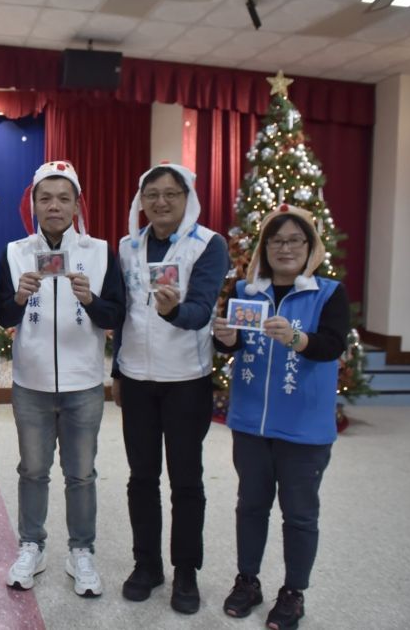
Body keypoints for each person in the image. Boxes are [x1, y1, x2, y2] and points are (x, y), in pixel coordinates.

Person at [212, 204, 349, 630]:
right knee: (250, 506)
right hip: (251, 422)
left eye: (294, 241)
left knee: (300, 514)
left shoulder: (328, 293)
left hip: (305, 429)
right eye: (276, 241)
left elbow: (332, 345)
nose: (285, 248)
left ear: (310, 246)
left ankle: (293, 592)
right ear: (264, 247)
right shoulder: (246, 291)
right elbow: (234, 345)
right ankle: (247, 581)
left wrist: (297, 338)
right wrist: (226, 339)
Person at [0, 161, 126, 595]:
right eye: (46, 198)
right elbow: (3, 314)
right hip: (31, 383)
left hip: (83, 383)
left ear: (76, 204)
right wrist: (18, 297)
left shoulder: (100, 251)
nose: (54, 206)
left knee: (81, 473)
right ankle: (31, 545)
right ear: (33, 203)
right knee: (33, 470)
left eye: (63, 198)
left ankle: (81, 551)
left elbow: (116, 314)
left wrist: (91, 301)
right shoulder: (15, 251)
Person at [112, 163, 228, 615]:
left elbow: (201, 310)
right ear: (141, 201)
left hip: (185, 381)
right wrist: (118, 371)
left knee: (186, 480)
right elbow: (123, 314)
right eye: (152, 194)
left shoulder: (208, 245)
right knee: (141, 478)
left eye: (171, 194)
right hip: (137, 380)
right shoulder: (127, 247)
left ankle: (186, 570)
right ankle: (147, 565)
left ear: (187, 197)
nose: (160, 202)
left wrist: (174, 311)